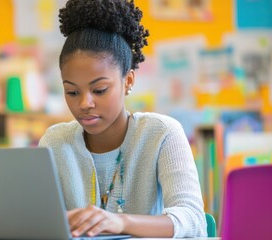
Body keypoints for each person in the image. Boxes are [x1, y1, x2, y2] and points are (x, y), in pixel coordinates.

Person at [38, 0, 207, 238]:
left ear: (128, 81)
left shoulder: (162, 133)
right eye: (72, 92)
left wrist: (119, 222)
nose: (84, 104)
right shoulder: (54, 142)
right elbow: (38, 221)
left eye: (99, 90)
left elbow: (193, 220)